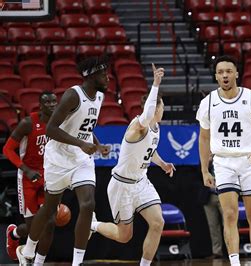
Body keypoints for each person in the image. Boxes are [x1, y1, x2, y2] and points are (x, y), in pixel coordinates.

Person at [16, 56, 111, 266]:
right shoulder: (72, 95)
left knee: (88, 204)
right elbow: (50, 129)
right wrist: (80, 143)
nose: (108, 77)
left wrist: (98, 143)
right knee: (49, 209)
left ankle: (77, 263)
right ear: (90, 75)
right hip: (58, 158)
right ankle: (29, 249)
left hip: (81, 159)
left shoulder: (99, 98)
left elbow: (86, 126)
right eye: (103, 73)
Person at [90, 64, 175, 266]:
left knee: (158, 223)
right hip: (122, 185)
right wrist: (155, 83)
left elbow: (149, 150)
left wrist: (162, 164)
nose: (163, 111)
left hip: (141, 182)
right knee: (124, 235)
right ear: (155, 108)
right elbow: (146, 117)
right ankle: (94, 225)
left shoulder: (155, 127)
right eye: (161, 107)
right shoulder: (138, 126)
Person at [196, 55, 251, 266]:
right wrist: (205, 170)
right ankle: (234, 263)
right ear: (215, 76)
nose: (225, 75)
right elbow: (203, 138)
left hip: (249, 161)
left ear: (236, 74)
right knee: (229, 214)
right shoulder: (209, 102)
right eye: (220, 72)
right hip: (223, 162)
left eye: (228, 71)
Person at [3, 91, 57, 262]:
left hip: (48, 177)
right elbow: (7, 149)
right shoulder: (28, 123)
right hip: (28, 177)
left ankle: (37, 262)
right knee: (33, 227)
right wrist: (25, 169)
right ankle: (14, 234)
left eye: (54, 102)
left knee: (49, 224)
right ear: (40, 105)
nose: (51, 105)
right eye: (47, 102)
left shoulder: (59, 122)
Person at [200, 154, 224, 258]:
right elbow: (197, 175)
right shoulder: (204, 161)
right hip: (209, 196)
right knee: (213, 225)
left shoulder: (225, 157)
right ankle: (217, 251)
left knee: (229, 223)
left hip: (224, 194)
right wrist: (207, 162)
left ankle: (232, 250)